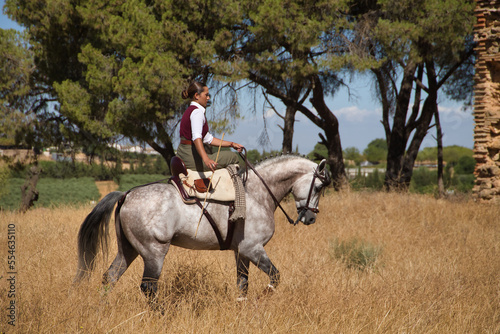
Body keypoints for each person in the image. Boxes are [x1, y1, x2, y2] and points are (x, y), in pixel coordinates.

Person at [176, 82, 244, 172]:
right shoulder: (197, 112)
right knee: (233, 157)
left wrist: (231, 144)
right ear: (197, 96)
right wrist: (206, 159)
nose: (208, 98)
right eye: (206, 95)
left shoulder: (190, 110)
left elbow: (208, 139)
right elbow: (197, 137)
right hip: (191, 158)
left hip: (182, 155)